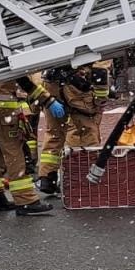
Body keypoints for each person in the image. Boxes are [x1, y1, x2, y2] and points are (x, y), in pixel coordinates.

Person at [0, 77, 53, 216]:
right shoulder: (10, 63)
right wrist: (48, 100)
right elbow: (24, 81)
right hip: (4, 111)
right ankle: (26, 200)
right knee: (15, 154)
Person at [35, 63, 111, 196]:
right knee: (87, 131)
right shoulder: (99, 51)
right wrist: (101, 99)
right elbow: (100, 71)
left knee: (54, 133)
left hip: (51, 85)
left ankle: (47, 178)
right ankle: (88, 176)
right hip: (77, 88)